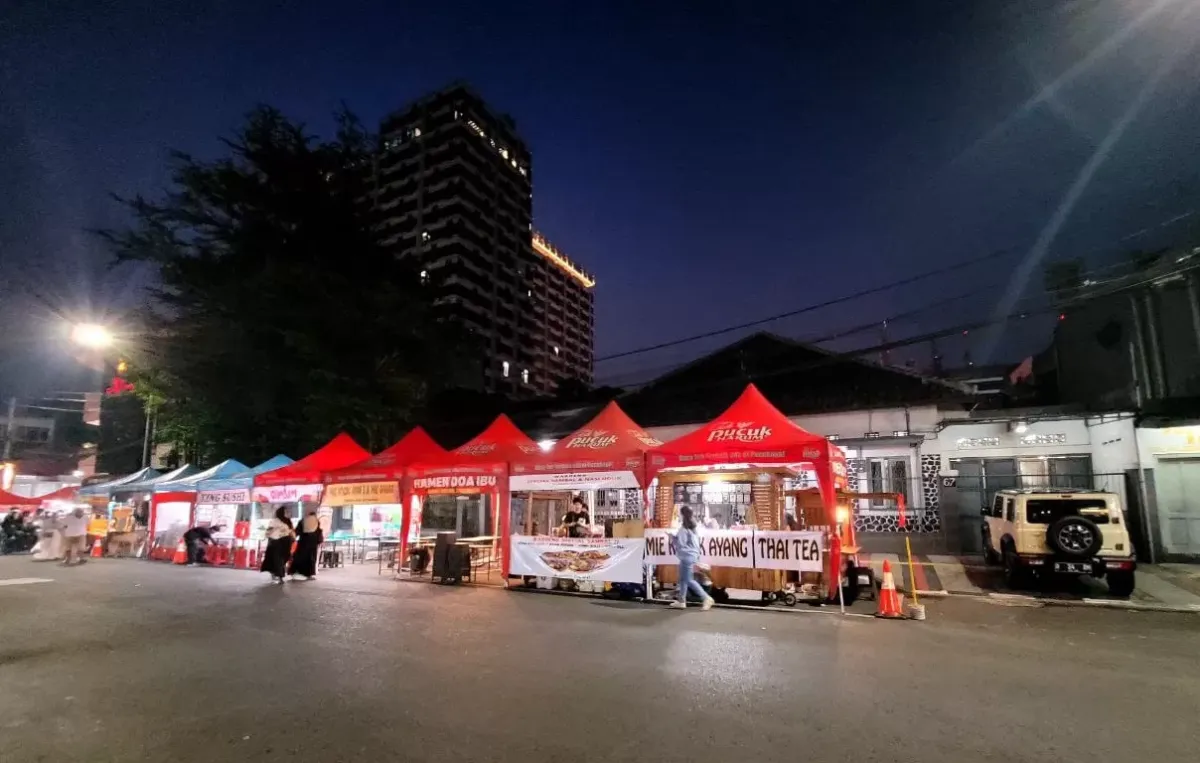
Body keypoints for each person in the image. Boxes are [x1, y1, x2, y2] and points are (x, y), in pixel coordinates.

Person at [670, 505, 714, 610]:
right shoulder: (693, 527)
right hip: (691, 555)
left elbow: (681, 544)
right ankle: (681, 600)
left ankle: (706, 598)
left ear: (682, 515)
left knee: (688, 580)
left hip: (686, 556)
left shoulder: (683, 529)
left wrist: (673, 538)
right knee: (682, 579)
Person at [260, 507, 294, 584]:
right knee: (278, 559)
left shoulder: (288, 521)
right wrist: (265, 536)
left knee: (283, 558)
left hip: (285, 542)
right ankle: (279, 576)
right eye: (285, 511)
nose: (287, 513)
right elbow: (269, 530)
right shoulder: (275, 521)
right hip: (276, 542)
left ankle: (277, 574)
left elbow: (291, 531)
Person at [288, 511, 322, 581]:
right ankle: (308, 575)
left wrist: (292, 537)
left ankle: (296, 572)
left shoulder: (302, 521)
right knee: (310, 559)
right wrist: (319, 541)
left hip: (303, 542)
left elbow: (297, 531)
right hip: (312, 543)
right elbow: (319, 532)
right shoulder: (316, 521)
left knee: (300, 557)